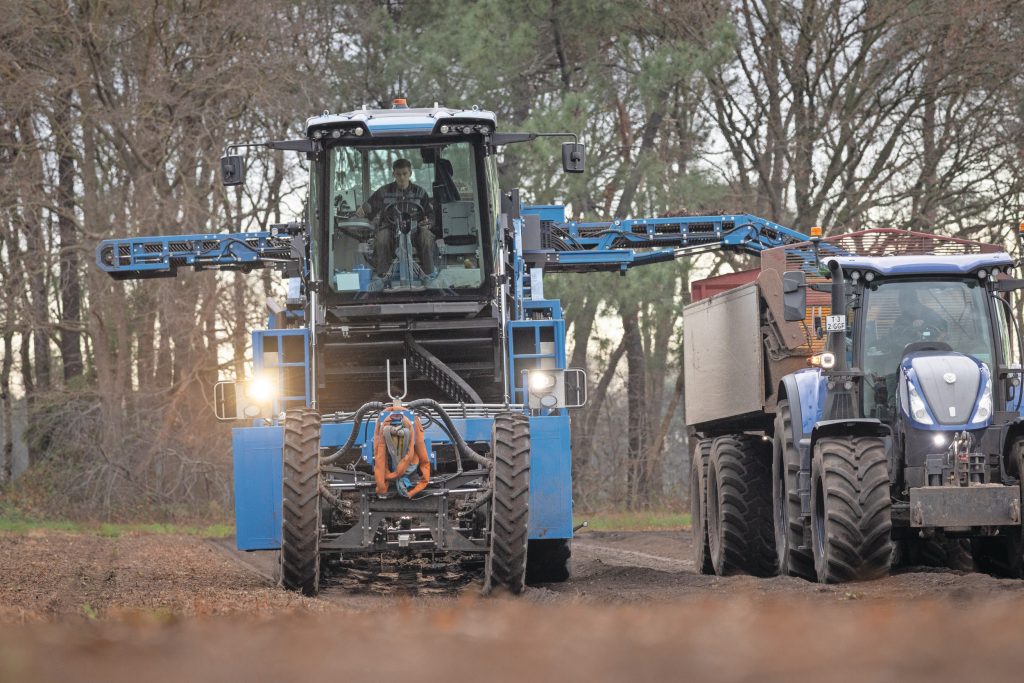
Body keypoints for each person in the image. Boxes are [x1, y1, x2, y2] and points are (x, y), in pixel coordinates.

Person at [356, 158, 437, 277]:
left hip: (415, 232)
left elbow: (430, 215)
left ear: (410, 173)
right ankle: (383, 276)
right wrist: (362, 209)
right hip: (391, 230)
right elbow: (369, 206)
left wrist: (428, 222)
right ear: (393, 174)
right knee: (382, 238)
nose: (402, 177)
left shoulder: (420, 193)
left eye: (405, 174)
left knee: (427, 236)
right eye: (398, 174)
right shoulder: (383, 192)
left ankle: (429, 275)